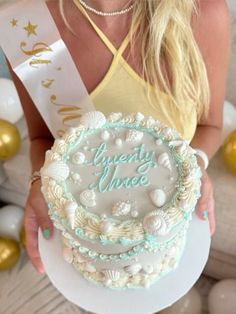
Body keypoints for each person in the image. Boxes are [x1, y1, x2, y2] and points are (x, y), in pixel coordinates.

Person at [7, 0, 230, 274]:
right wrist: (39, 181)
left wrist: (195, 163)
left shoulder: (204, 11)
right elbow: (42, 138)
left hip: (168, 245)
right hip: (87, 248)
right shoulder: (26, 25)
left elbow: (210, 126)